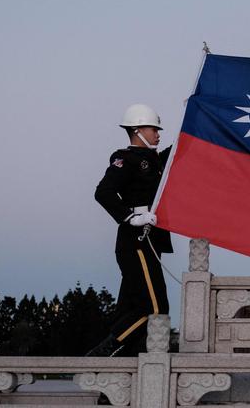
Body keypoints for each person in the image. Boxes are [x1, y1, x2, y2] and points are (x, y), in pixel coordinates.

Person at [87, 104, 173, 356]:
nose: (158, 133)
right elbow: (103, 192)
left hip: (149, 241)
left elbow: (177, 153)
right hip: (135, 240)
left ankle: (118, 368)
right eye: (153, 128)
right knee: (155, 308)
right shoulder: (126, 158)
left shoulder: (155, 159)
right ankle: (104, 353)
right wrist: (128, 216)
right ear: (137, 130)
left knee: (131, 307)